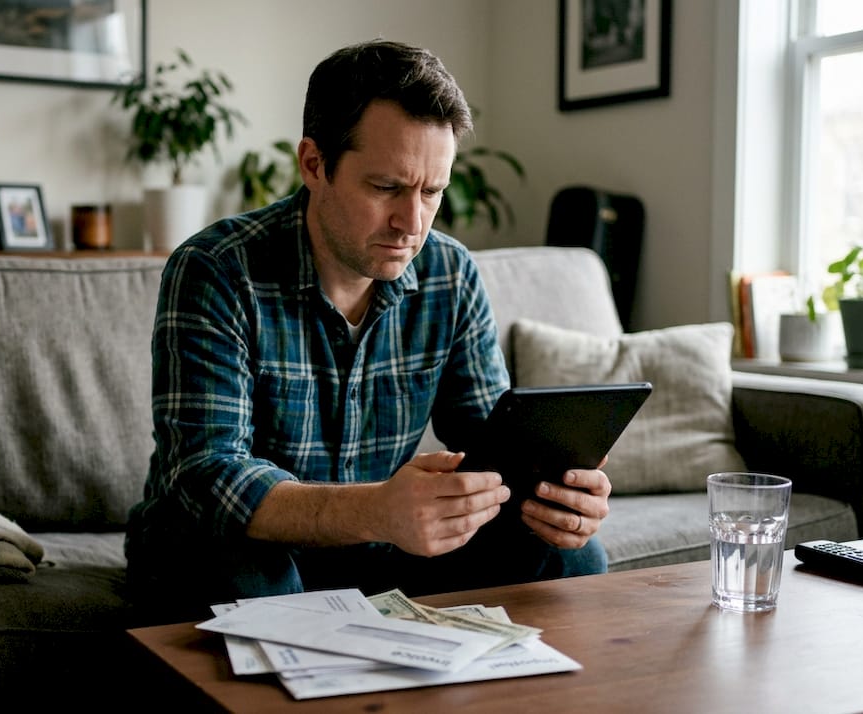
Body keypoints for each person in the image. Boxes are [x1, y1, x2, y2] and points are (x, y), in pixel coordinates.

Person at [124, 39, 612, 625]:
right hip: (222, 542)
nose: (412, 223)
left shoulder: (449, 274)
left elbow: (492, 444)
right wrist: (379, 510)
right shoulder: (217, 270)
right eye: (386, 188)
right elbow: (207, 477)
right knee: (251, 577)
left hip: (376, 550)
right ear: (314, 164)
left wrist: (558, 494)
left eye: (432, 192)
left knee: (572, 553)